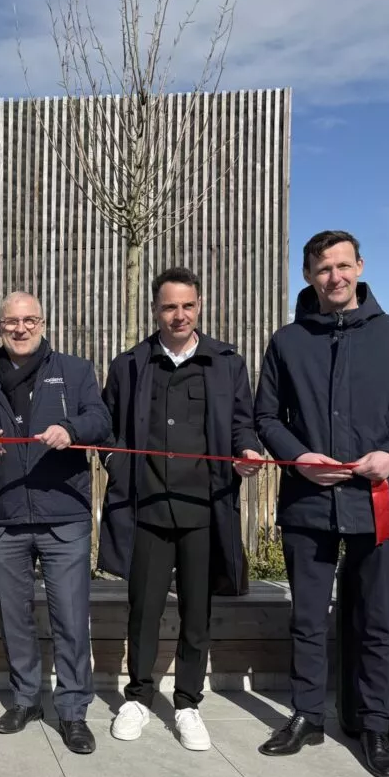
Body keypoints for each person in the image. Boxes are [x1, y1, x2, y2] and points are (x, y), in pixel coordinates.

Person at [254, 230, 389, 777]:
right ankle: (308, 715)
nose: (333, 277)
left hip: (380, 502)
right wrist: (296, 457)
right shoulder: (287, 341)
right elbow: (267, 418)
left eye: (342, 266)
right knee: (308, 619)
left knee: (380, 622)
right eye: (321, 269)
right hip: (308, 505)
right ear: (309, 276)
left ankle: (376, 726)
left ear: (359, 266)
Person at [98, 267, 264, 752]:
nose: (179, 315)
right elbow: (106, 426)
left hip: (204, 512)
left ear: (199, 306)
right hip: (146, 509)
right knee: (143, 610)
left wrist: (246, 452)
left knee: (197, 613)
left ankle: (188, 702)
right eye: (169, 306)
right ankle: (138, 697)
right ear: (155, 309)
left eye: (187, 306)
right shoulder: (129, 364)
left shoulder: (227, 364)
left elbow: (242, 425)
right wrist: (112, 459)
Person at [0, 292, 111, 754]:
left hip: (63, 515)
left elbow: (100, 419)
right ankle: (25, 698)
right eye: (11, 322)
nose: (20, 329)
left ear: (43, 323)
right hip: (4, 515)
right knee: (14, 617)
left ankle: (73, 710)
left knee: (69, 619)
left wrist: (74, 430)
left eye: (29, 321)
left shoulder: (77, 371)